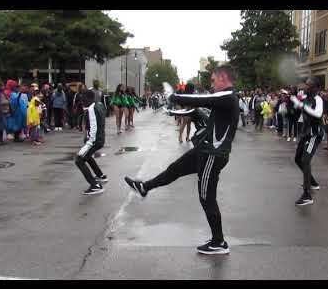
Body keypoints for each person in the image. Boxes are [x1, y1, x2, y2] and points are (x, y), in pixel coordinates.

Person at [124, 65, 239, 255]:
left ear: (223, 77)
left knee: (206, 198)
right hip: (205, 150)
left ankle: (219, 242)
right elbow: (195, 109)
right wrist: (173, 110)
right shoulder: (224, 98)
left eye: (212, 80)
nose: (211, 85)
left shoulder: (228, 96)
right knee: (174, 169)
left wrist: (174, 96)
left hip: (213, 154)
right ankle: (145, 187)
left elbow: (201, 100)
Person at [290, 77, 324, 206]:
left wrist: (302, 105)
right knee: (298, 159)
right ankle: (313, 182)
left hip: (314, 134)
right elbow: (299, 107)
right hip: (305, 133)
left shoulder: (318, 99)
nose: (306, 86)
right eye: (306, 84)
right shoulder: (306, 98)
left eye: (309, 85)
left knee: (305, 160)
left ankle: (307, 195)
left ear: (315, 87)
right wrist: (294, 100)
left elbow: (318, 114)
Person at [74, 90, 108, 195]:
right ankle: (100, 176)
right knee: (87, 156)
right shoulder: (99, 105)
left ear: (89, 98)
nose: (82, 101)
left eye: (83, 99)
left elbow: (94, 127)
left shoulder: (92, 109)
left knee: (79, 160)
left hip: (94, 140)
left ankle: (95, 186)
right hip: (100, 138)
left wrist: (89, 142)